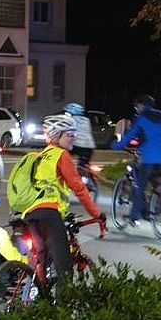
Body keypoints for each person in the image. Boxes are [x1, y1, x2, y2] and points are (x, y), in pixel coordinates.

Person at [21, 121, 106, 288]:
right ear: (56, 136)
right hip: (49, 213)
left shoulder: (41, 156)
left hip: (30, 213)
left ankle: (33, 294)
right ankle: (60, 309)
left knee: (41, 261)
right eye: (69, 134)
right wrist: (97, 214)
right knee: (64, 269)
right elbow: (79, 189)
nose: (73, 138)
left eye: (74, 134)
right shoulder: (61, 155)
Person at [111, 94, 161, 225]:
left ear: (142, 105)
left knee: (140, 185)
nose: (136, 108)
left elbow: (130, 135)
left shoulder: (141, 119)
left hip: (150, 155)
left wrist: (116, 145)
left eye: (137, 106)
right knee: (155, 178)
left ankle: (134, 217)